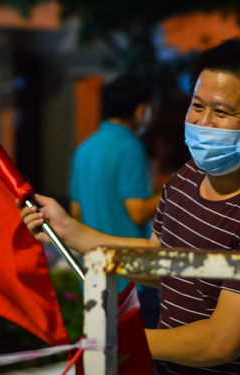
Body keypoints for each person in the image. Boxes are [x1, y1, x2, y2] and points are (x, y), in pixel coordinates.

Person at [22, 38, 240, 375]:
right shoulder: (187, 177)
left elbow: (219, 342)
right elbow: (162, 263)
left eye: (221, 112)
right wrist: (69, 231)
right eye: (197, 105)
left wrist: (120, 340)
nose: (203, 122)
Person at [69, 74, 162, 328]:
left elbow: (76, 212)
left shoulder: (84, 147)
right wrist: (175, 191)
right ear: (141, 110)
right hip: (133, 280)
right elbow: (137, 211)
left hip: (95, 277)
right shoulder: (130, 146)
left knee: (105, 359)